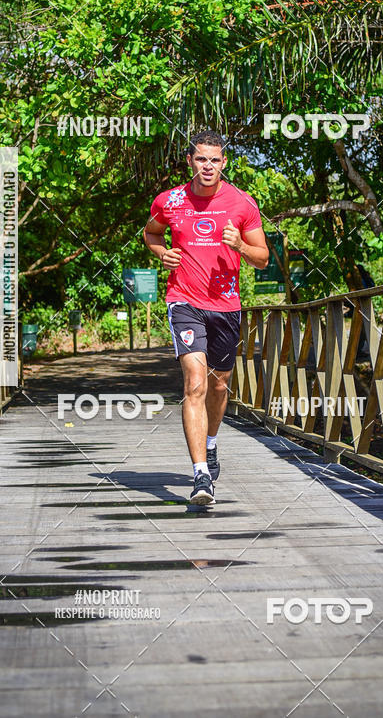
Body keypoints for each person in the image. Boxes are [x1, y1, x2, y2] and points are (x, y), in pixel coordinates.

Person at [143, 130, 269, 504]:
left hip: (226, 305)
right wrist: (160, 253)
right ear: (190, 161)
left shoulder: (242, 203)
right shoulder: (170, 200)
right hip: (184, 301)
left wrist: (240, 245)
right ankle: (201, 477)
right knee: (195, 382)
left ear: (224, 162)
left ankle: (211, 442)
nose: (208, 166)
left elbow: (262, 258)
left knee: (218, 385)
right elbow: (151, 234)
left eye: (215, 160)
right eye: (201, 159)